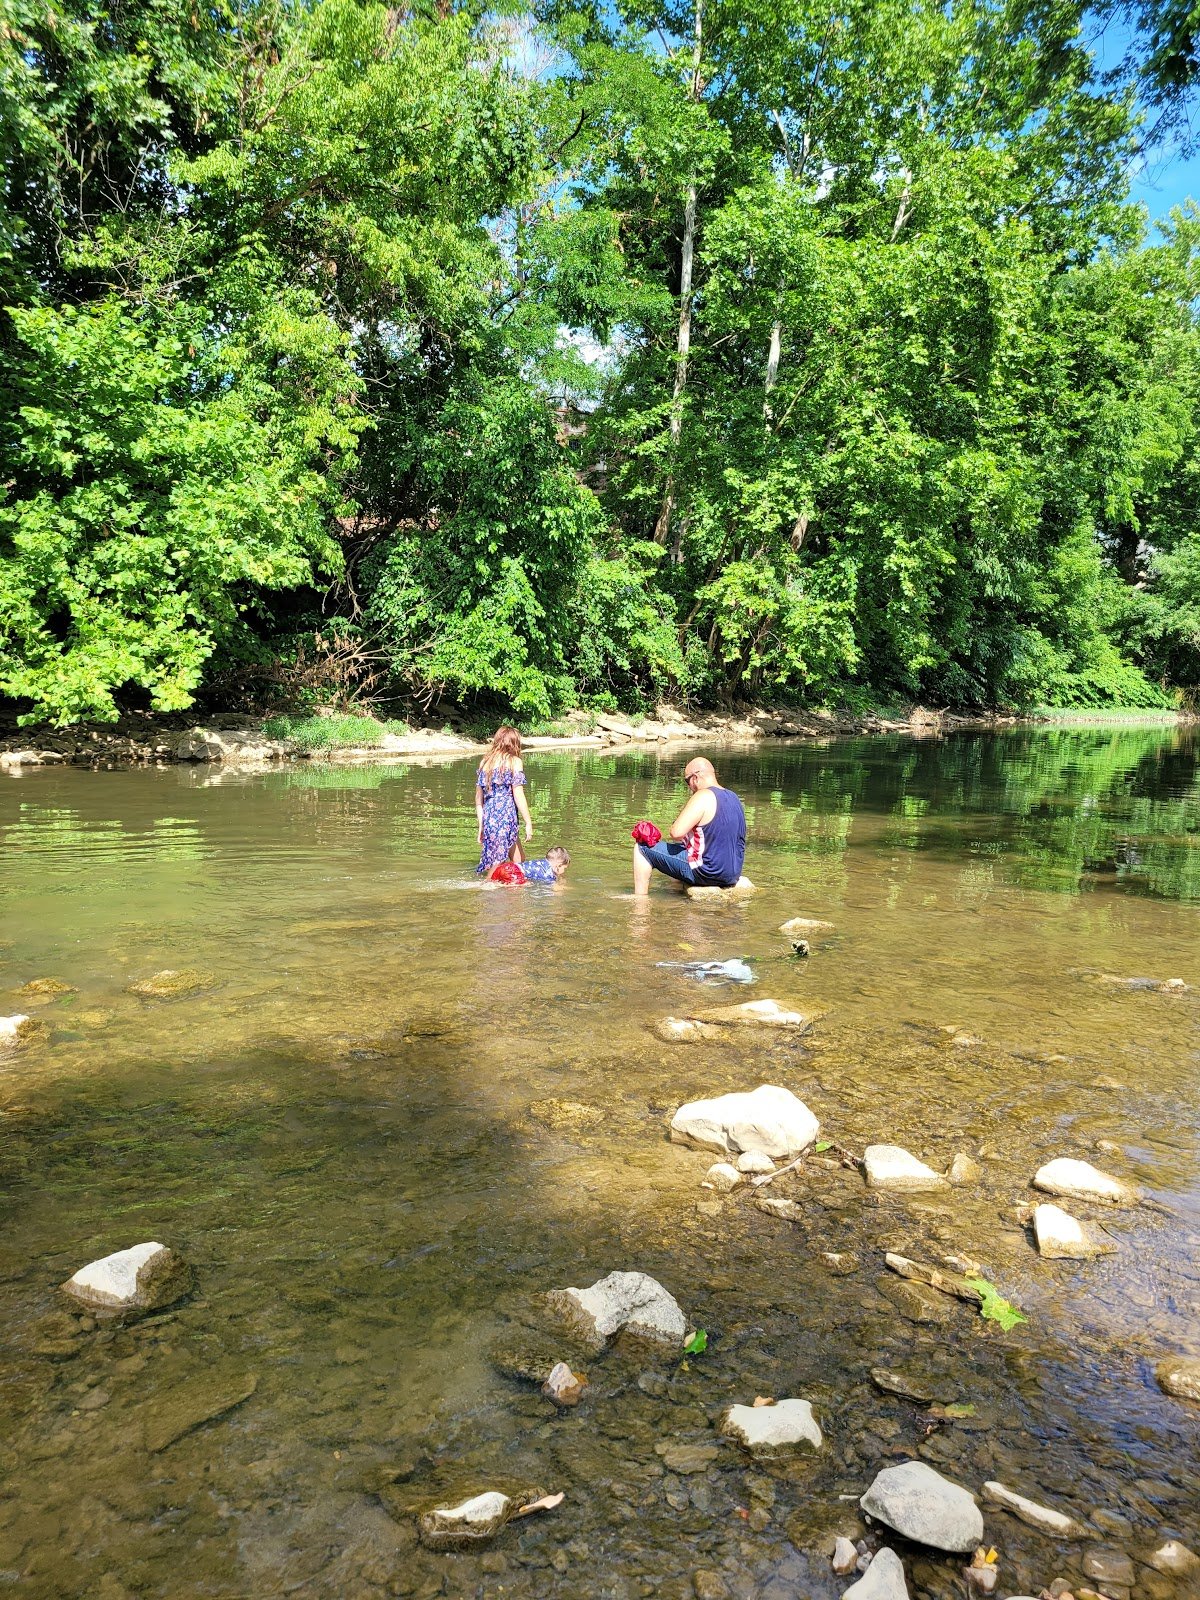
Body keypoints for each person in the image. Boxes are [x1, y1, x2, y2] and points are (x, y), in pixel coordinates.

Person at [632, 757, 746, 895]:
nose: (689, 787)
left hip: (707, 873)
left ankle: (639, 900)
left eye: (687, 781)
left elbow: (676, 832)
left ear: (695, 778)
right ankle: (675, 891)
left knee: (642, 847)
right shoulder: (734, 797)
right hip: (732, 874)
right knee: (680, 848)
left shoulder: (703, 795)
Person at [475, 726, 533, 874]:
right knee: (498, 862)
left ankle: (510, 890)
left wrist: (481, 825)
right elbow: (518, 795)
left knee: (518, 861)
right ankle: (488, 887)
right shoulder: (515, 762)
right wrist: (528, 822)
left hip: (489, 815)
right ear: (514, 744)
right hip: (506, 814)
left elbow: (478, 800)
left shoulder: (485, 763)